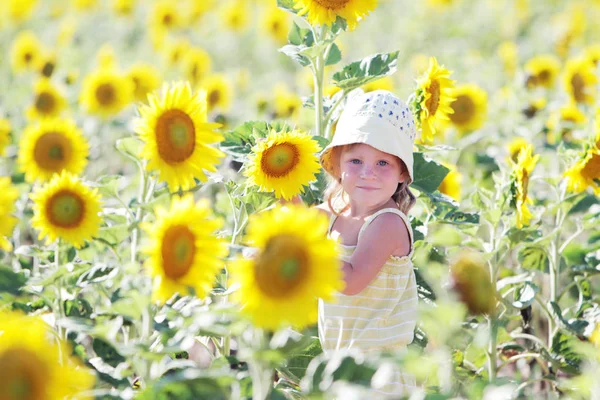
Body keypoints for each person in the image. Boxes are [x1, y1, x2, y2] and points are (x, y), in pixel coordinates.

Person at [315, 89, 419, 398]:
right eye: (356, 160)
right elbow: (293, 226)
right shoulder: (334, 215)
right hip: (340, 366)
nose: (367, 173)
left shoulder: (387, 223)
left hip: (379, 375)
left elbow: (350, 280)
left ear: (402, 170)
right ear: (338, 164)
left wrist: (305, 249)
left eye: (382, 163)